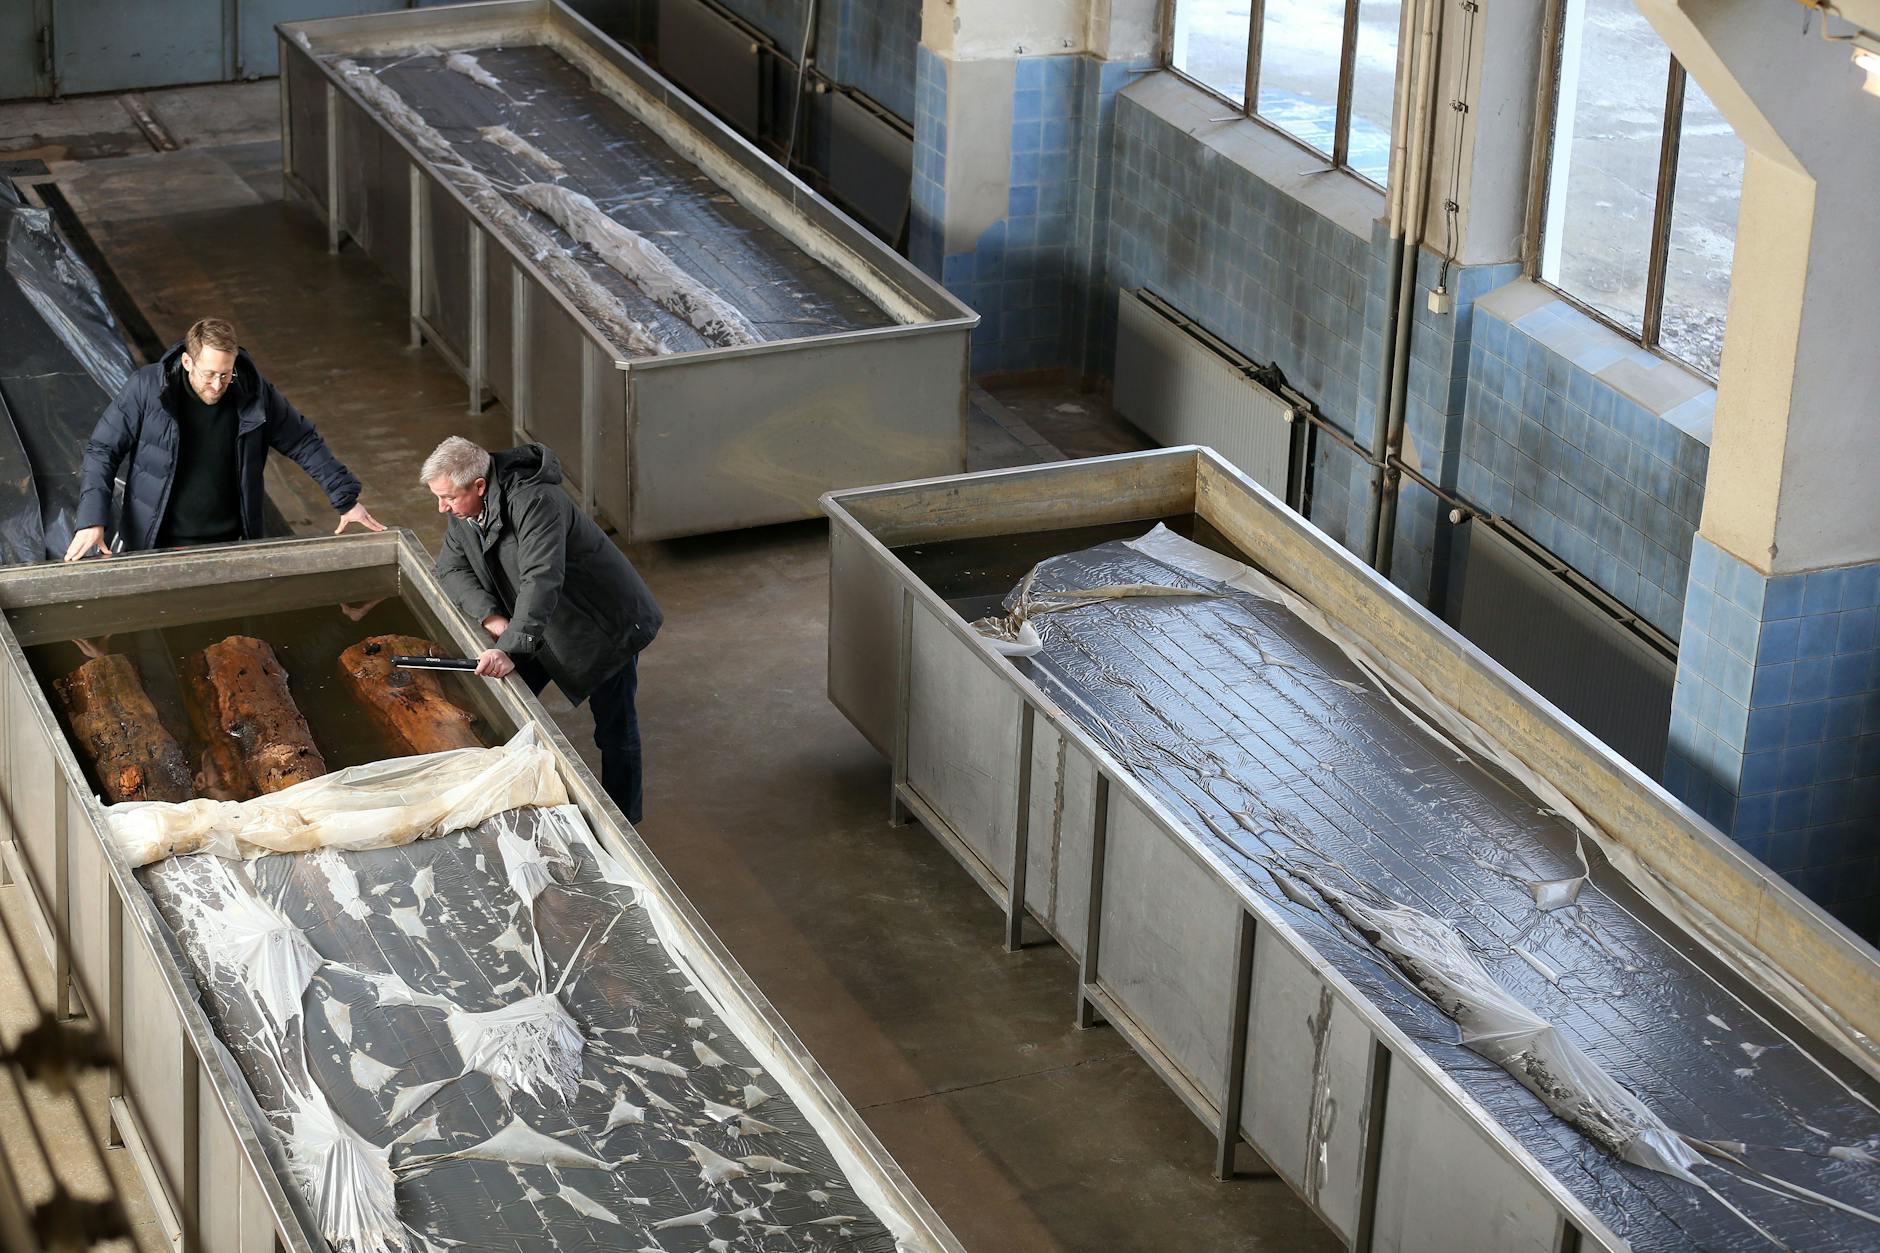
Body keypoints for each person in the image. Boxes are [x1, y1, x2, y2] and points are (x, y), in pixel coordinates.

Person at [422, 436, 662, 824]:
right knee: (498, 707)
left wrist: (510, 645)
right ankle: (503, 795)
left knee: (614, 730)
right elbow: (450, 568)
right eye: (439, 497)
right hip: (536, 620)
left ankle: (624, 823)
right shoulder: (464, 508)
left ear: (479, 485)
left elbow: (541, 579)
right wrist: (493, 619)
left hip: (600, 623)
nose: (441, 508)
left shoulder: (536, 502)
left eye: (448, 498)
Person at [64, 317, 382, 560]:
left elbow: (302, 441)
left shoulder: (254, 393)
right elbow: (102, 450)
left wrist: (346, 499)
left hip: (229, 545)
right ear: (187, 362)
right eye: (209, 374)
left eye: (225, 374)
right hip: (155, 543)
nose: (218, 385)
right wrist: (93, 519)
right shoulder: (147, 389)